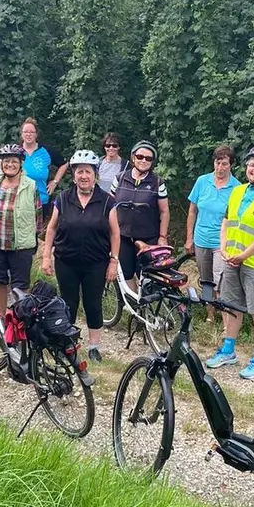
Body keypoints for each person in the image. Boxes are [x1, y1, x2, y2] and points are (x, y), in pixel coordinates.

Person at [206, 146, 254, 380]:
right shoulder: (238, 191)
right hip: (233, 259)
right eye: (252, 165)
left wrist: (244, 255)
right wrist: (223, 247)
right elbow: (226, 222)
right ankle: (229, 349)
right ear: (246, 167)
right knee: (231, 306)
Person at [41, 150, 122, 362]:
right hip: (66, 261)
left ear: (95, 175)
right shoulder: (63, 198)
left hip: (96, 262)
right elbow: (51, 228)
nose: (83, 176)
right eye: (79, 172)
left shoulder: (106, 201)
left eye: (87, 172)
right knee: (68, 302)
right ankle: (69, 342)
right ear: (74, 175)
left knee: (93, 303)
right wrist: (46, 256)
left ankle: (94, 345)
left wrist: (114, 261)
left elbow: (115, 233)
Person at [185, 144, 241, 324]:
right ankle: (210, 315)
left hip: (222, 242)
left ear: (231, 165)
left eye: (224, 164)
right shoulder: (202, 181)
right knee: (206, 279)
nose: (220, 168)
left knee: (221, 280)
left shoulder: (237, 188)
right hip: (201, 239)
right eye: (218, 163)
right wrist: (189, 237)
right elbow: (192, 211)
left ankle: (226, 321)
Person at [0, 143, 41, 313]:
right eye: (6, 161)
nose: (10, 165)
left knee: (20, 288)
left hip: (20, 246)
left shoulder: (30, 185)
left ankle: (19, 323)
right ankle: (1, 321)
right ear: (1, 163)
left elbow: (38, 216)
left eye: (14, 161)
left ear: (21, 163)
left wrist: (33, 240)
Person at [112, 140, 170, 289]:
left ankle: (147, 308)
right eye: (140, 156)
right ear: (133, 157)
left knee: (147, 276)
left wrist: (162, 237)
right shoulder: (120, 178)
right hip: (123, 236)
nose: (143, 160)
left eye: (148, 158)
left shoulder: (157, 182)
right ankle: (134, 307)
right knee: (126, 274)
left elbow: (164, 212)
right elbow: (110, 207)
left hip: (148, 237)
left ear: (152, 162)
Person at [19, 118, 65, 233]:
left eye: (31, 132)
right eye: (26, 132)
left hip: (40, 200)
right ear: (22, 134)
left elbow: (64, 164)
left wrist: (55, 182)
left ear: (36, 134)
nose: (28, 134)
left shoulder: (46, 151)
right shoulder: (16, 151)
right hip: (18, 200)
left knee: (34, 234)